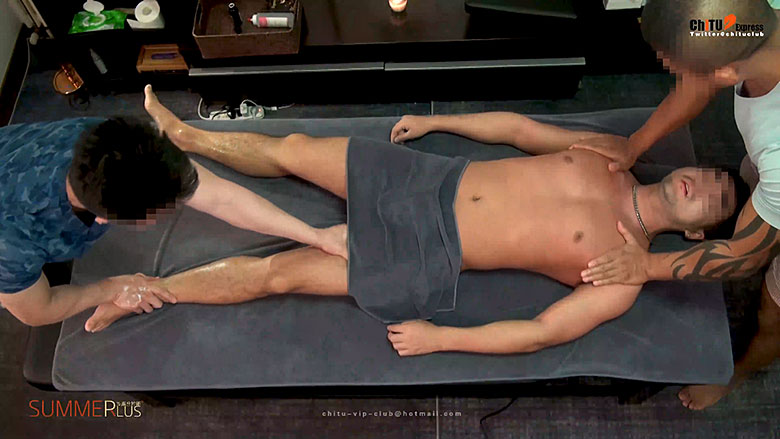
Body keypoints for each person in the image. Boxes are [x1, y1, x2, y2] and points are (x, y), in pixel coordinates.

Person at [81, 105, 739, 361]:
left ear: (698, 233)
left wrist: (441, 337)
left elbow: (542, 332)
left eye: (714, 198)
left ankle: (145, 289)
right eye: (709, 173)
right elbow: (518, 129)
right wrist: (437, 123)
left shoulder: (626, 269)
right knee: (293, 149)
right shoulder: (609, 154)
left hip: (426, 254)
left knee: (277, 274)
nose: (700, 182)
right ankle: (187, 135)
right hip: (427, 177)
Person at [0, 86, 347, 329]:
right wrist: (114, 288)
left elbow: (221, 198)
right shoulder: (12, 245)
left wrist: (316, 236)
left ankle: (183, 134)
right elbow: (37, 311)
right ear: (103, 219)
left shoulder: (104, 138)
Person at [575, 0, 780, 409]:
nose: (671, 72)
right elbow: (700, 80)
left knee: (772, 312)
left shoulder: (777, 152)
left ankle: (736, 374)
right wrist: (635, 145)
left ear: (727, 72)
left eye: (676, 66)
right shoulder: (749, 22)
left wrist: (646, 266)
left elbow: (744, 257)